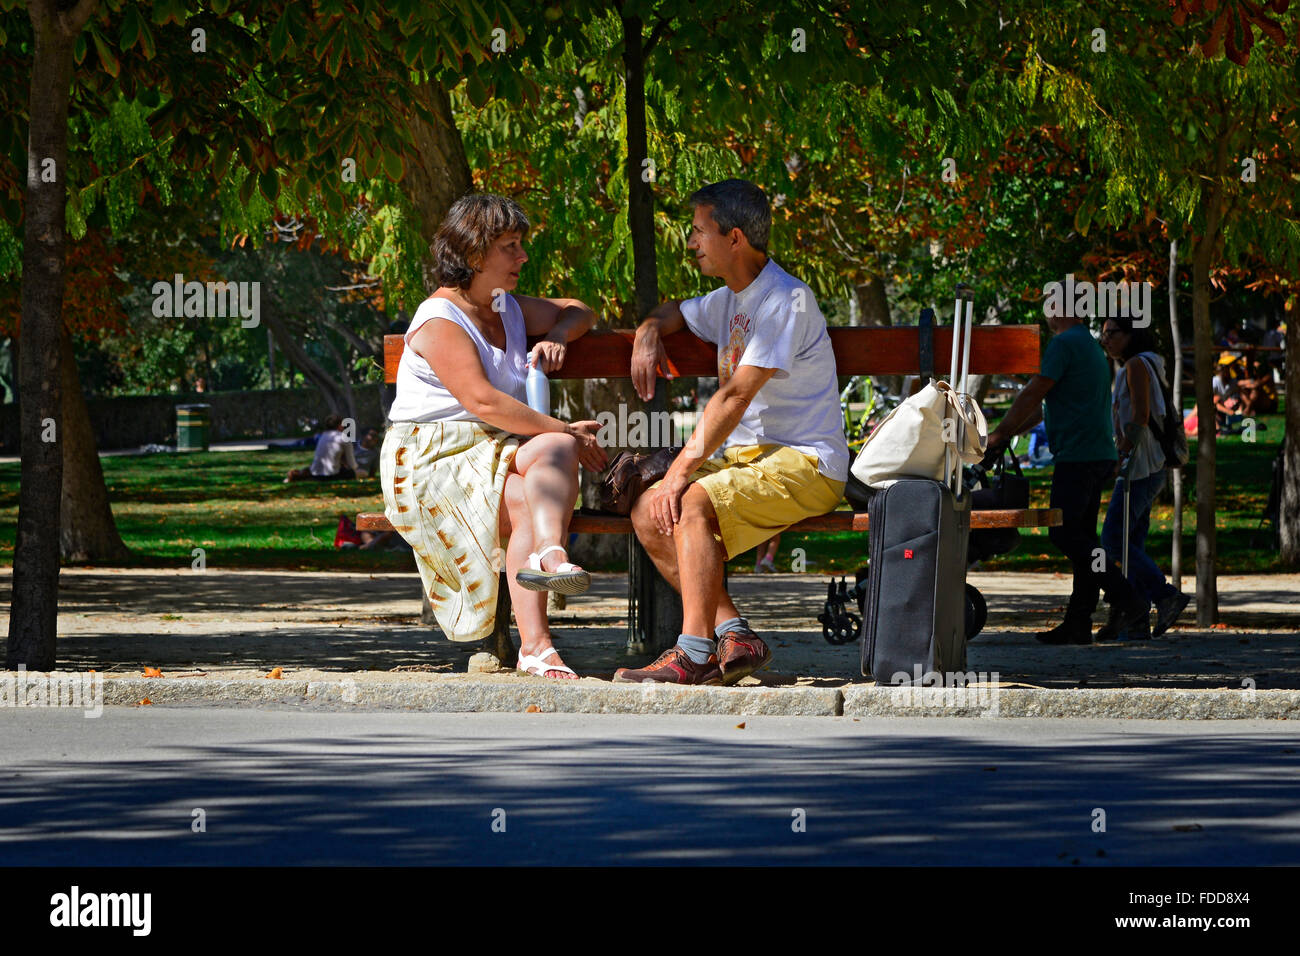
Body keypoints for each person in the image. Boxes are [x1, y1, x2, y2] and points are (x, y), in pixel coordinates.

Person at [614, 179, 849, 685]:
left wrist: (680, 470)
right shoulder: (729, 299)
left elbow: (735, 396)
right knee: (649, 510)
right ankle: (734, 634)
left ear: (735, 238)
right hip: (748, 459)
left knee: (688, 499)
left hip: (807, 461)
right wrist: (649, 329)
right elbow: (675, 310)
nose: (692, 243)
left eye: (699, 232)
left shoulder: (787, 300)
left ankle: (693, 653)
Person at [380, 193, 607, 679]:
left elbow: (580, 310)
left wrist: (559, 336)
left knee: (556, 446)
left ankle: (550, 554)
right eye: (511, 246)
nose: (523, 256)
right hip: (431, 456)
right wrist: (565, 428)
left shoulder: (505, 307)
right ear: (474, 253)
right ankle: (537, 645)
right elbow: (483, 401)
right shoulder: (440, 319)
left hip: (493, 446)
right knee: (541, 471)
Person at [985, 308, 1147, 645]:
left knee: (1064, 534)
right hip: (1097, 454)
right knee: (1085, 539)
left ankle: (1126, 596)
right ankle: (1079, 620)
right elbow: (1046, 407)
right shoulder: (1089, 345)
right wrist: (1009, 432)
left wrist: (999, 435)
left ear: (1057, 309)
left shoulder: (1063, 344)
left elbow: (1033, 392)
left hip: (1078, 456)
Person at [1097, 316, 1191, 640]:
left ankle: (1165, 595)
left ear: (1130, 336)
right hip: (1149, 467)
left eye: (1112, 333)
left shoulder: (1137, 365)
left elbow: (1139, 416)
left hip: (1139, 466)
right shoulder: (1148, 363)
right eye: (1103, 333)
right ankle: (1134, 621)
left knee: (1112, 540)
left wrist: (1121, 454)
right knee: (1131, 541)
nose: (1105, 339)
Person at [284, 414, 359, 482]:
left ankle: (296, 477)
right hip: (332, 475)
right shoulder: (343, 438)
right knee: (362, 472)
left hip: (315, 473)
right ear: (340, 425)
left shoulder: (323, 436)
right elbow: (352, 465)